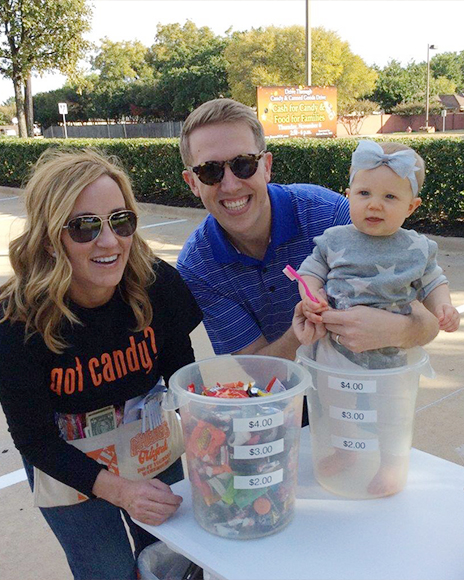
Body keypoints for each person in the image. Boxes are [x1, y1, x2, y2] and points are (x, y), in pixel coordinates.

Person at [0, 149, 202, 580]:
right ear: (51, 235)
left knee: (176, 565)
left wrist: (213, 446)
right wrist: (120, 491)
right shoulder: (14, 322)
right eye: (85, 226)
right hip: (68, 461)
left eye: (120, 220)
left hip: (150, 442)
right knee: (106, 571)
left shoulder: (156, 285)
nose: (110, 242)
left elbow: (183, 376)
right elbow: (35, 440)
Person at [177, 98, 440, 361]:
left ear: (266, 166)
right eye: (210, 171)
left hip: (356, 381)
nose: (231, 185)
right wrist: (299, 333)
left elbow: (426, 322)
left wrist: (398, 331)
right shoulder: (198, 267)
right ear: (192, 183)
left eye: (243, 164)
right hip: (281, 395)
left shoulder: (330, 215)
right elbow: (255, 366)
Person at [294, 140, 460, 495]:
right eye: (365, 192)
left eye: (390, 198)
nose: (374, 204)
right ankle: (344, 452)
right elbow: (310, 272)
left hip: (390, 352)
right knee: (334, 402)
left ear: (411, 206)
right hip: (335, 347)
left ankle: (389, 465)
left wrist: (443, 306)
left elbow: (434, 281)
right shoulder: (334, 240)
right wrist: (312, 295)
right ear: (349, 194)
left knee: (392, 411)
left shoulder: (416, 247)